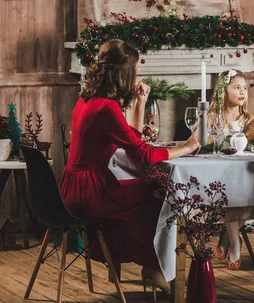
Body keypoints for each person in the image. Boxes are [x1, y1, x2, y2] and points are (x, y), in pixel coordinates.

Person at [60, 39, 201, 293]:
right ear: (124, 73)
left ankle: (145, 265)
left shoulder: (88, 99)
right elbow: (144, 156)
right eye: (134, 69)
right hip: (90, 192)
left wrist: (139, 103)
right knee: (159, 192)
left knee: (150, 189)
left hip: (72, 186)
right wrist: (187, 148)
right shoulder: (106, 107)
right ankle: (156, 268)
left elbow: (131, 142)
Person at [196, 69, 254, 270]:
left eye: (245, 88)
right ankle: (235, 244)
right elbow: (198, 142)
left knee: (244, 194)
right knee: (231, 197)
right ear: (224, 91)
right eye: (236, 87)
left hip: (245, 177)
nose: (242, 92)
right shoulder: (213, 119)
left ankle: (226, 239)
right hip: (219, 179)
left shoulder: (250, 120)